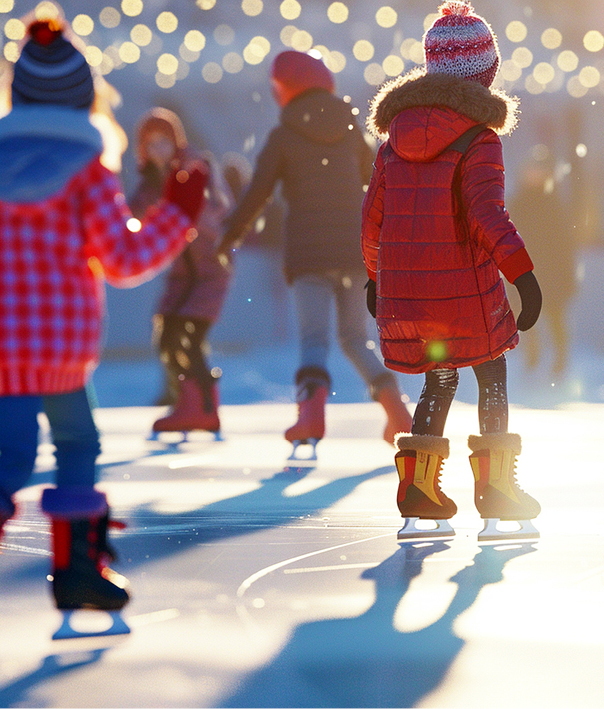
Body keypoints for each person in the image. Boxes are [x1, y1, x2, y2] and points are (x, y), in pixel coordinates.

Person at [0, 17, 206, 624]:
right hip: (63, 346)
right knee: (76, 446)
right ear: (85, 99)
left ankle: (80, 568)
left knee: (6, 456)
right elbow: (123, 258)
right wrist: (177, 213)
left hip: (2, 349)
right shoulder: (88, 171)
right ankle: (79, 570)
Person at [361, 0, 542, 541]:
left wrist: (376, 277)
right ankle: (496, 491)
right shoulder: (478, 138)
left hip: (411, 294)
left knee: (438, 379)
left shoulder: (394, 138)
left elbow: (373, 216)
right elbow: (487, 215)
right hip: (466, 288)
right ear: (485, 73)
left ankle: (419, 493)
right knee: (491, 373)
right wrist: (522, 275)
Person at [218, 49, 411, 455]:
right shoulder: (350, 129)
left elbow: (258, 193)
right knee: (357, 339)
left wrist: (229, 236)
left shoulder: (283, 135)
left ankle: (311, 416)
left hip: (309, 254)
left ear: (283, 88)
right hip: (354, 252)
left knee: (314, 338)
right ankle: (397, 414)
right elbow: (378, 183)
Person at [129, 108, 232, 439]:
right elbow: (130, 215)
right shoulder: (150, 183)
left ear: (176, 141)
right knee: (167, 336)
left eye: (163, 141)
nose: (158, 149)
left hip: (208, 271)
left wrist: (186, 223)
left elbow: (212, 210)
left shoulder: (195, 168)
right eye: (150, 144)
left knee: (189, 337)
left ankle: (204, 408)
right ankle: (188, 403)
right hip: (180, 276)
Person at [507, 153, 577, 378]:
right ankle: (532, 358)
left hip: (551, 271)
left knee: (554, 315)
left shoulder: (552, 203)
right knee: (526, 316)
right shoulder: (518, 203)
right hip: (524, 269)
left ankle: (560, 360)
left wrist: (566, 272)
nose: (533, 176)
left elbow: (564, 241)